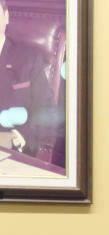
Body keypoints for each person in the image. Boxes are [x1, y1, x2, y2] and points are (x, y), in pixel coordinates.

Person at [0, 0, 54, 157]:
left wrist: (22, 135)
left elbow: (47, 110)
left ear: (6, 16)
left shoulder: (29, 58)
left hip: (11, 148)